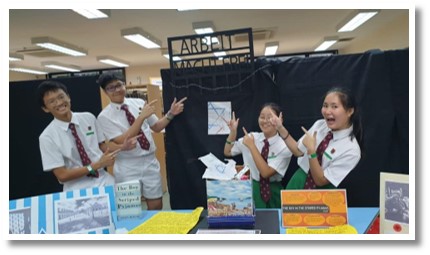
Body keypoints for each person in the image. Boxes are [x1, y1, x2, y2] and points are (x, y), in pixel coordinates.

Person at [96, 72, 187, 210]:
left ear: (124, 85)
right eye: (111, 88)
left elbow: (156, 127)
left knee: (156, 204)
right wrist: (141, 118)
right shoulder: (104, 116)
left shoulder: (138, 103)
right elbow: (124, 139)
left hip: (150, 161)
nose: (117, 90)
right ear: (105, 91)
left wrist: (171, 113)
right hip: (128, 166)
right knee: (129, 208)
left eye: (119, 85)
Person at [272, 87, 362, 189]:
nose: (328, 111)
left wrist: (311, 151)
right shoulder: (320, 125)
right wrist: (280, 128)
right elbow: (298, 151)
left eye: (334, 106)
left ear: (350, 111)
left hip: (322, 192)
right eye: (325, 106)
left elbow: (320, 180)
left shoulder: (352, 150)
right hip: (299, 181)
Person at [37, 80, 120, 192]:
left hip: (105, 181)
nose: (59, 103)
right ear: (45, 108)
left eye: (61, 97)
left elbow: (102, 147)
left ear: (68, 97)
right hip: (77, 189)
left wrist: (123, 147)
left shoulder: (88, 118)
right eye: (52, 101)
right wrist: (96, 165)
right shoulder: (47, 137)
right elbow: (62, 175)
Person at [224, 103, 293, 208]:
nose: (265, 121)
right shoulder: (252, 137)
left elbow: (266, 173)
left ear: (280, 120)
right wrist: (233, 132)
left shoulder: (285, 146)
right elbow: (228, 152)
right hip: (250, 188)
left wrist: (252, 146)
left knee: (273, 221)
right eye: (262, 117)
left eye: (269, 117)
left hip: (273, 191)